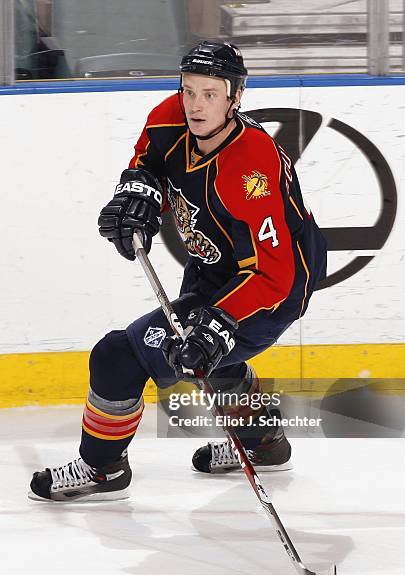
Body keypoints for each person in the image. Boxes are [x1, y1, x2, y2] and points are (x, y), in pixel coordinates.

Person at [29, 41, 327, 502]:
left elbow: (275, 273)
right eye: (189, 90)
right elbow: (145, 166)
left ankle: (102, 469)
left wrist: (220, 321)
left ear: (236, 97)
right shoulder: (168, 116)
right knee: (199, 351)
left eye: (211, 93)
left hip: (272, 284)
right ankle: (261, 442)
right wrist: (138, 199)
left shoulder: (252, 167)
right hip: (212, 261)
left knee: (118, 356)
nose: (196, 104)